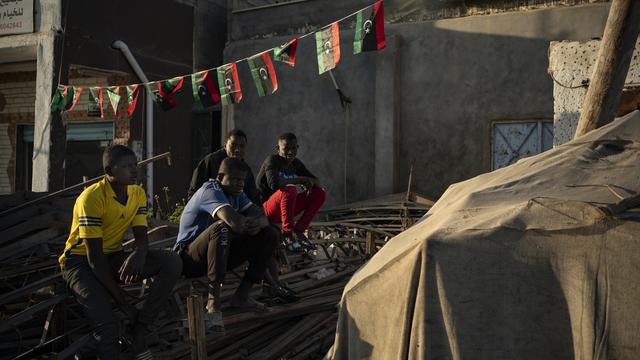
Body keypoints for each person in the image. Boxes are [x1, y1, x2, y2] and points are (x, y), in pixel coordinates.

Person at [59, 145, 182, 359]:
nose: (134, 170)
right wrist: (123, 304)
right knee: (107, 328)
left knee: (172, 261)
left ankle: (140, 330)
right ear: (109, 171)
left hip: (112, 256)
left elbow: (142, 237)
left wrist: (140, 253)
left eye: (135, 164)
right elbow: (94, 258)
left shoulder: (137, 193)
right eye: (126, 166)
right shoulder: (92, 198)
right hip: (79, 263)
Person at [174, 158, 279, 332]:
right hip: (189, 259)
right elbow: (235, 223)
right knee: (221, 228)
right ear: (221, 177)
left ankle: (242, 296)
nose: (241, 184)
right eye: (236, 180)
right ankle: (212, 304)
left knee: (270, 233)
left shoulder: (237, 193)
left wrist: (259, 223)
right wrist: (252, 223)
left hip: (219, 253)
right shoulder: (211, 191)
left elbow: (261, 217)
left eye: (243, 180)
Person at [256, 132, 327, 249]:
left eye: (293, 148)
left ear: (297, 148)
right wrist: (299, 180)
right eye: (286, 149)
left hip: (286, 209)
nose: (290, 152)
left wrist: (309, 182)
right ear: (278, 148)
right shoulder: (272, 160)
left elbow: (317, 181)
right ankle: (287, 233)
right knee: (290, 189)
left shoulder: (296, 163)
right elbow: (273, 184)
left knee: (320, 193)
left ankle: (299, 230)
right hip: (266, 211)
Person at [187, 129, 260, 204]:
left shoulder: (246, 169)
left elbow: (252, 197)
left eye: (242, 146)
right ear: (225, 145)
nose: (237, 149)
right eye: (234, 145)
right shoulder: (211, 161)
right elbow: (195, 191)